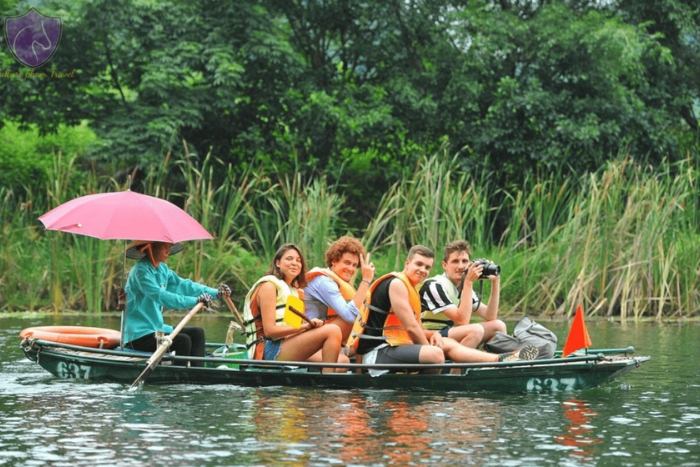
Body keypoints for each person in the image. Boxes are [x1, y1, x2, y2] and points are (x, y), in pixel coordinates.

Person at [350, 245, 538, 373]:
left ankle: (500, 359)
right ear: (407, 264)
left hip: (393, 346)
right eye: (418, 264)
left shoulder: (411, 287)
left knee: (444, 343)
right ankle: (455, 375)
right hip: (374, 354)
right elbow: (412, 328)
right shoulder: (397, 284)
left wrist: (432, 335)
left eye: (427, 267)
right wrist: (428, 344)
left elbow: (407, 329)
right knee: (436, 352)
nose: (423, 270)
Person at [243, 243, 348, 373]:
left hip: (287, 344)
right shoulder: (269, 286)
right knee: (333, 330)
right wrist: (305, 327)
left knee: (344, 362)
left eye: (298, 261)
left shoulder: (295, 291)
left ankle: (312, 390)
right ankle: (327, 386)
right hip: (268, 349)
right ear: (277, 263)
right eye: (289, 259)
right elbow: (270, 331)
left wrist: (310, 327)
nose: (294, 263)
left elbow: (292, 328)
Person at [123, 240, 230, 367]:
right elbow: (162, 297)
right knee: (182, 341)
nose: (168, 251)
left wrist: (216, 293)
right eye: (164, 247)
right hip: (138, 335)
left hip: (157, 329)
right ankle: (180, 380)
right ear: (150, 249)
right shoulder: (140, 272)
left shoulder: (162, 269)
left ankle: (197, 374)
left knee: (197, 333)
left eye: (169, 247)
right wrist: (196, 301)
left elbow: (184, 285)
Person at [419, 240, 507, 349]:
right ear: (444, 265)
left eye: (465, 261)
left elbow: (490, 316)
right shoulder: (433, 286)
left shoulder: (463, 286)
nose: (461, 266)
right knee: (475, 330)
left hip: (447, 332)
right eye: (455, 261)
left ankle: (487, 363)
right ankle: (456, 366)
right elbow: (462, 321)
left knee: (498, 325)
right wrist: (468, 282)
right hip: (428, 336)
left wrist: (495, 281)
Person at [304, 236, 375, 345]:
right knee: (357, 319)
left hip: (327, 337)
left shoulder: (339, 282)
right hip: (308, 339)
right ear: (334, 261)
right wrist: (366, 280)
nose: (351, 269)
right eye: (347, 263)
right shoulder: (325, 282)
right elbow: (350, 316)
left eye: (354, 265)